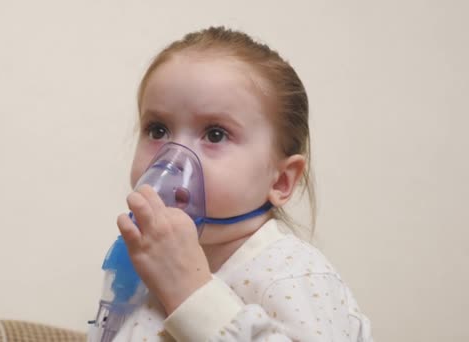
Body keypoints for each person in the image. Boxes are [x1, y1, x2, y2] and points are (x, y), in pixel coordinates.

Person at [112, 26, 372, 341]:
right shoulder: (151, 262)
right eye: (157, 130)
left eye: (215, 134)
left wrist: (189, 292)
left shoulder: (292, 275)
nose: (173, 159)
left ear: (281, 180)